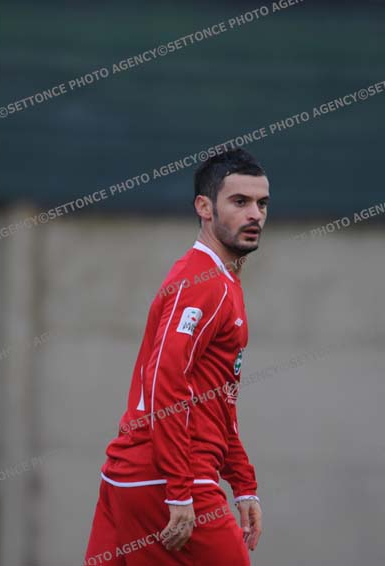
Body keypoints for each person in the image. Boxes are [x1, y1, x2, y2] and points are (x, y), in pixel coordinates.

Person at [83, 149, 269, 565]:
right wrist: (179, 490)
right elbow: (164, 379)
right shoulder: (203, 282)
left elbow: (220, 398)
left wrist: (243, 483)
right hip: (168, 478)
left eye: (261, 204)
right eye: (239, 202)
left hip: (132, 476)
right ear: (204, 207)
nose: (254, 214)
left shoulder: (221, 281)